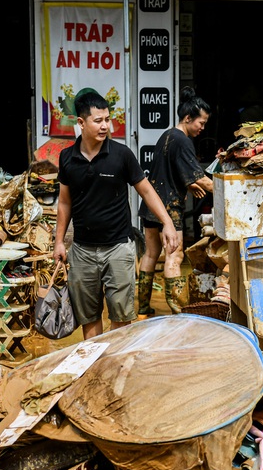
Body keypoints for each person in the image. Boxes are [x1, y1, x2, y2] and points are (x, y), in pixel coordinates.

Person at [53, 90, 178, 339]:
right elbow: (65, 203)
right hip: (82, 251)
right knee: (89, 319)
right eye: (98, 120)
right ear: (81, 123)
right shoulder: (67, 158)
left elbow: (147, 190)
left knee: (121, 319)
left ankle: (115, 371)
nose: (105, 126)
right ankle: (97, 372)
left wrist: (168, 223)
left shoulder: (121, 155)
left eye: (107, 119)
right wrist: (58, 241)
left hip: (118, 248)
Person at [137, 87, 214, 315]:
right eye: (201, 123)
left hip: (152, 205)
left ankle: (142, 307)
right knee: (175, 255)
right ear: (188, 118)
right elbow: (203, 179)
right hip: (170, 208)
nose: (202, 128)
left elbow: (168, 171)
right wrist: (230, 188)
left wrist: (188, 184)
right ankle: (178, 311)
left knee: (151, 254)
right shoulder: (183, 141)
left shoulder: (167, 135)